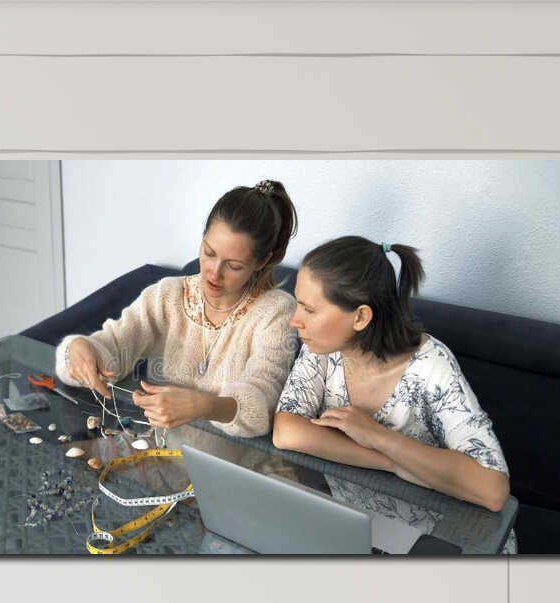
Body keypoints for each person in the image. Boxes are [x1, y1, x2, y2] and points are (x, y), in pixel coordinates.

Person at [271, 237, 509, 513]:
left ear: (360, 317)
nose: (294, 320)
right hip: (350, 520)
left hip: (431, 533)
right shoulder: (322, 347)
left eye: (309, 309)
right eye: (298, 304)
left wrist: (378, 436)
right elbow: (286, 431)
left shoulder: (431, 366)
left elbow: (493, 489)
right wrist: (392, 462)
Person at [55, 181, 299, 439]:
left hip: (233, 464)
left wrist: (205, 406)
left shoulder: (276, 311)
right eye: (209, 252)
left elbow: (262, 406)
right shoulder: (168, 296)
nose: (214, 272)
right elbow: (112, 350)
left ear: (262, 261)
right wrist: (81, 350)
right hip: (156, 454)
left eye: (234, 266)